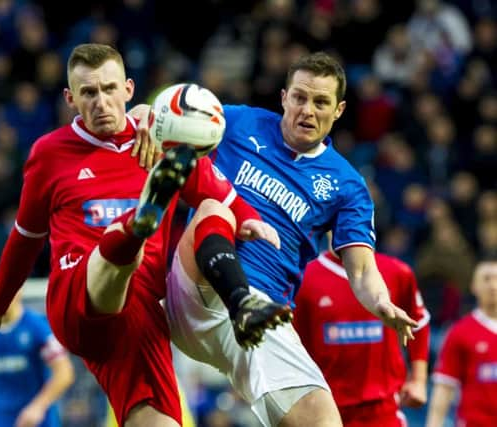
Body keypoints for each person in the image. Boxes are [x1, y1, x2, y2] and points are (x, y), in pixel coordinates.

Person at [0, 43, 288, 427]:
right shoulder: (49, 154)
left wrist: (250, 220)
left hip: (140, 312)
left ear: (129, 90)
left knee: (213, 211)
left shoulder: (162, 138)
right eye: (88, 93)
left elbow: (225, 197)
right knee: (121, 248)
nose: (101, 101)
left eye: (109, 89)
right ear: (70, 98)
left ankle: (241, 301)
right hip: (77, 297)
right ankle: (138, 223)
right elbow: (24, 238)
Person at [132, 51, 419, 427]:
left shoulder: (348, 185)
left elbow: (363, 271)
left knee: (322, 420)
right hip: (197, 290)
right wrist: (141, 117)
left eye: (321, 102)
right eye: (299, 97)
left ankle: (249, 311)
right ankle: (240, 300)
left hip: (264, 317)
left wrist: (381, 302)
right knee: (213, 210)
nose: (307, 110)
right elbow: (159, 114)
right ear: (284, 97)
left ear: (339, 110)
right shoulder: (238, 122)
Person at [293, 239, 430, 427]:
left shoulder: (397, 271)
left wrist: (419, 380)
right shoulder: (304, 277)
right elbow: (293, 342)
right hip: (326, 409)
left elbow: (419, 322)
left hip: (383, 407)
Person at [0, 273, 75, 427]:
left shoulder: (37, 328)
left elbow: (64, 373)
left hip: (36, 423)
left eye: (3, 288)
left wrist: (38, 406)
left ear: (18, 291)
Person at [426, 255, 497, 427]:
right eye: (486, 279)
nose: (493, 285)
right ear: (474, 286)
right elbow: (444, 387)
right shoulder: (460, 332)